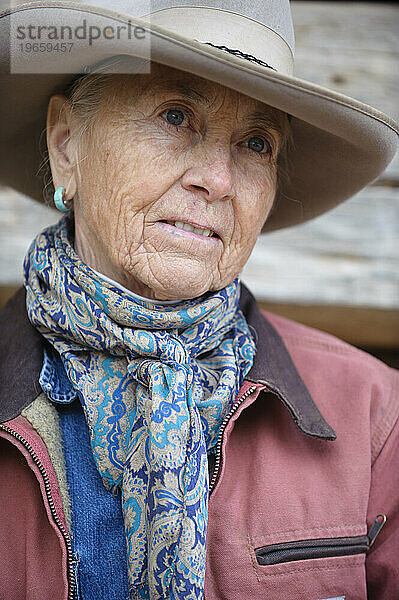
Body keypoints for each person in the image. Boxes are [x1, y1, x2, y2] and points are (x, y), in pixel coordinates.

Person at [0, 1, 398, 599]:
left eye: (257, 143)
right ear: (66, 145)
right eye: (176, 115)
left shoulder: (374, 417)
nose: (217, 179)